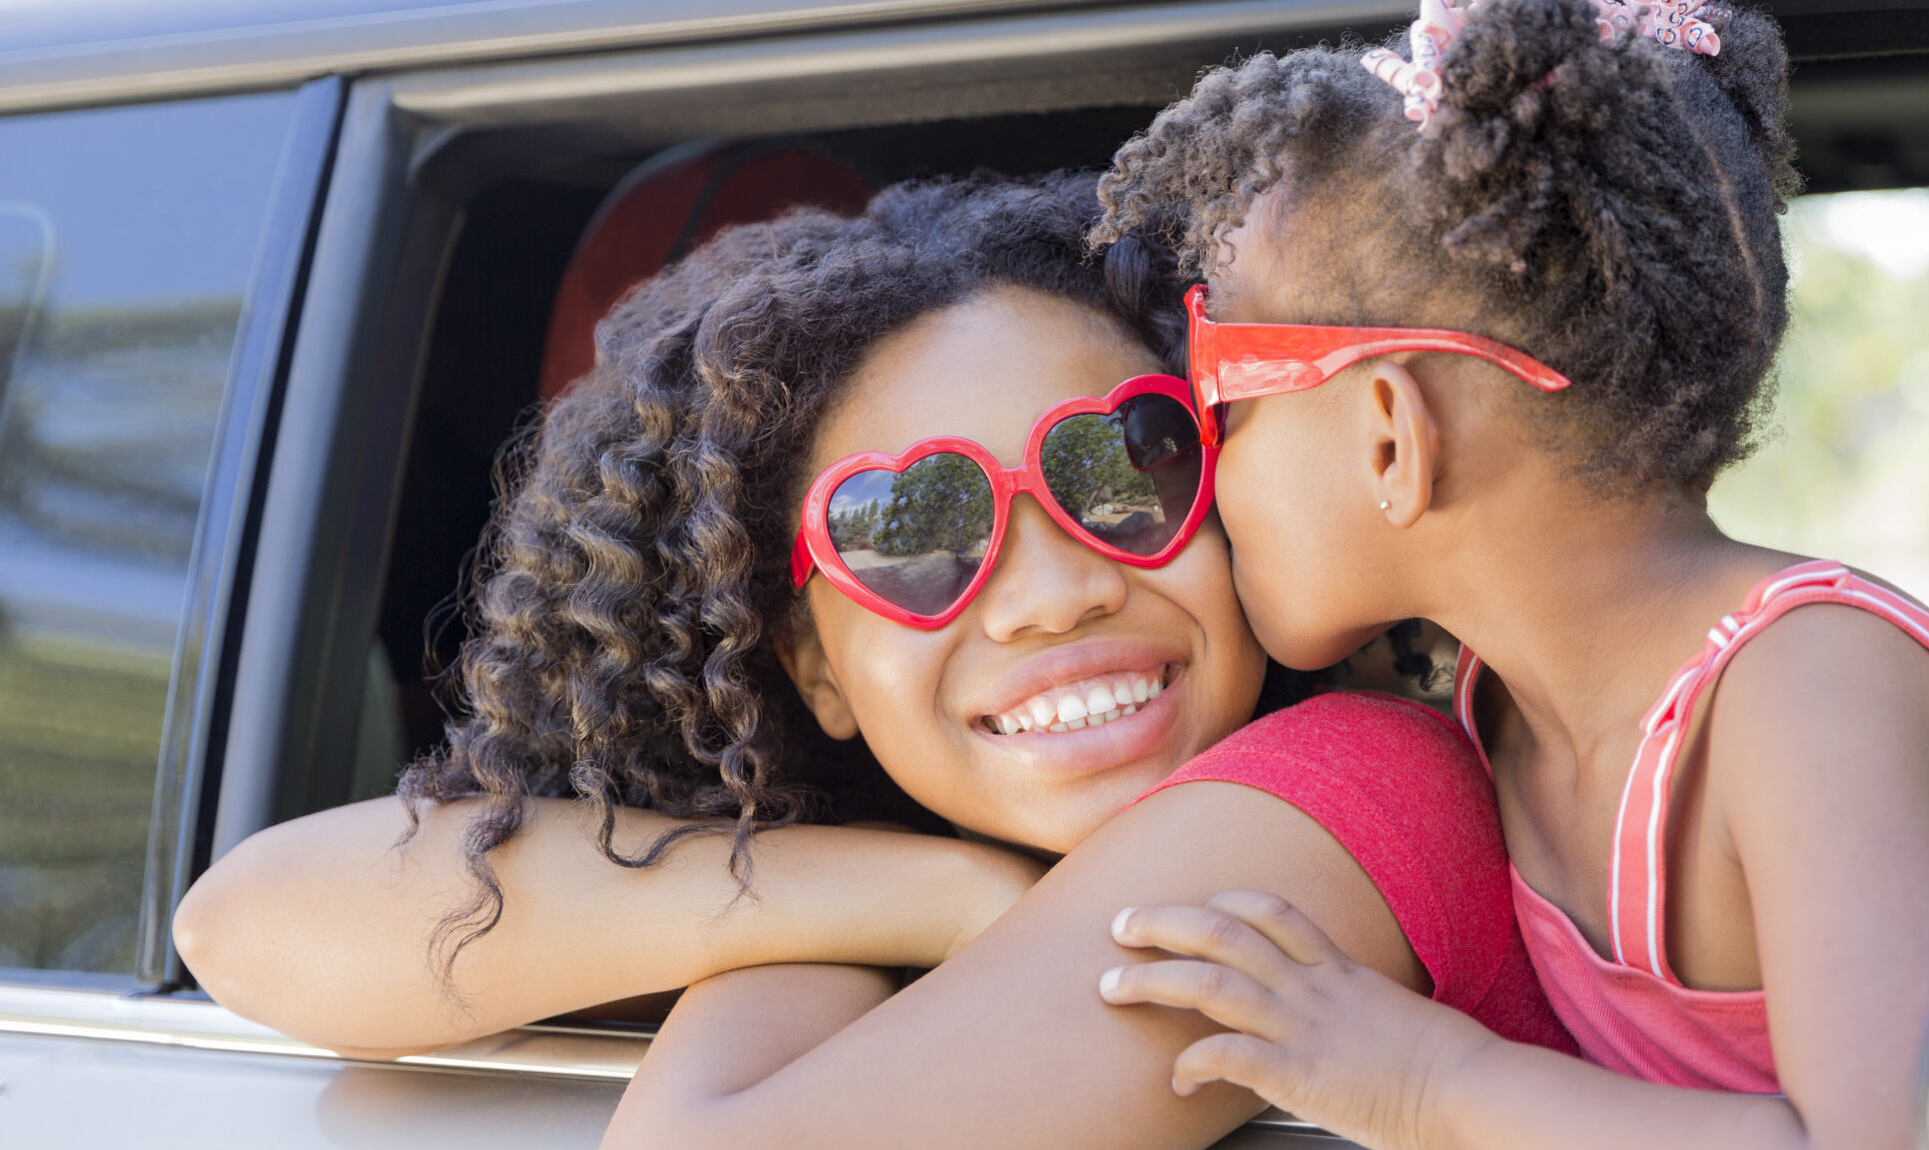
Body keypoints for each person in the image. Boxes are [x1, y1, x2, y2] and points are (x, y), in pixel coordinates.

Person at [174, 172, 1567, 1149]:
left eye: (1122, 467)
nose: (1053, 596)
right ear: (814, 668)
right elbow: (243, 926)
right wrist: (938, 893)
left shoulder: (1361, 784)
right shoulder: (923, 872)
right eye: (915, 527)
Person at [1085, 0, 1929, 1150]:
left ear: (1391, 438)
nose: (1196, 467)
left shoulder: (1802, 689)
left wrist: (1427, 1085)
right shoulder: (1489, 706)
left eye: (1219, 398)